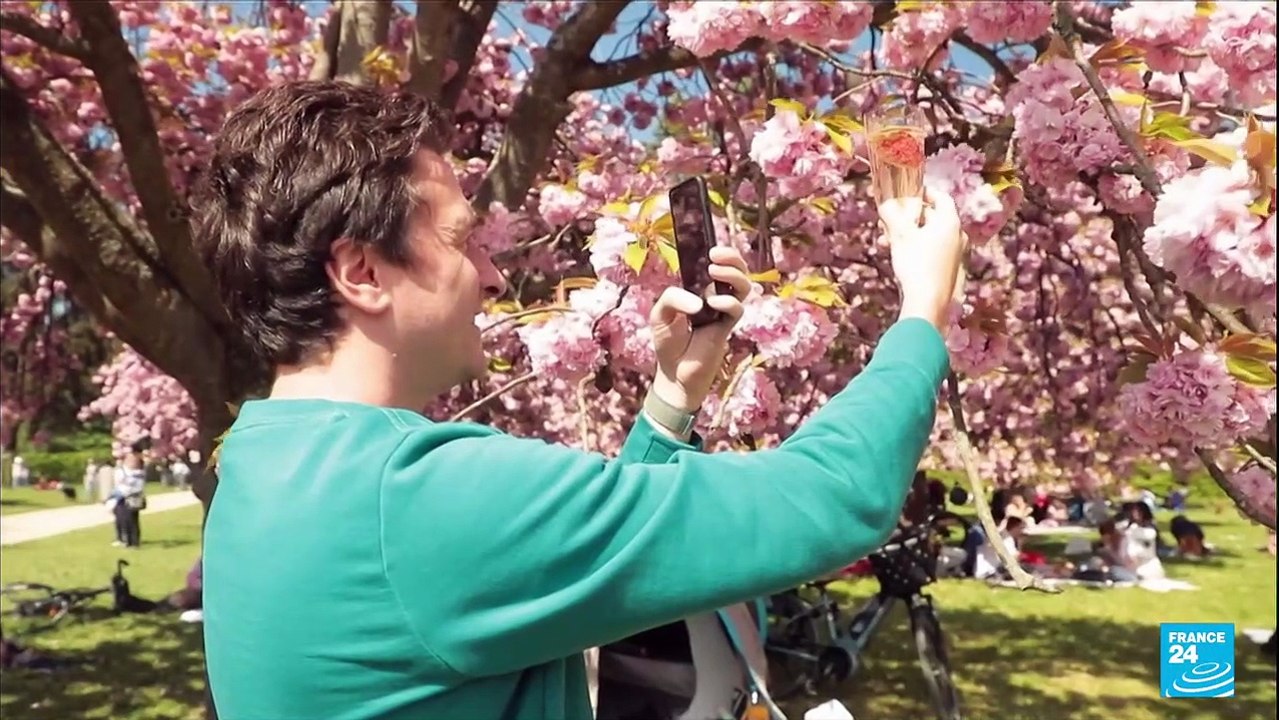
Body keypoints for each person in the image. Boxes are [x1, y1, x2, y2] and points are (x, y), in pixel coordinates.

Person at [191, 80, 967, 720]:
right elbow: (831, 500)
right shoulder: (418, 499)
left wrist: (671, 398)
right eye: (463, 241)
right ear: (361, 271)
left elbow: (584, 563)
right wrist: (922, 311)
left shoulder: (262, 463)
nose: (493, 276)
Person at [110, 451, 146, 548]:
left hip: (132, 498)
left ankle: (134, 542)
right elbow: (117, 484)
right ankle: (126, 540)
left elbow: (139, 487)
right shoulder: (121, 471)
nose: (132, 462)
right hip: (121, 497)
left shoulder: (139, 473)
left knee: (132, 520)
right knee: (123, 519)